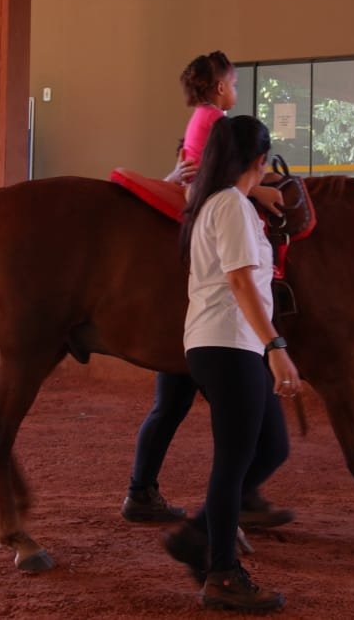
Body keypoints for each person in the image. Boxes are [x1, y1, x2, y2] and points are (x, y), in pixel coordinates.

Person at [122, 54, 288, 526]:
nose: (234, 89)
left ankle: (177, 496)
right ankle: (223, 514)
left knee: (173, 404)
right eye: (233, 82)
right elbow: (220, 173)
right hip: (228, 336)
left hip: (207, 325)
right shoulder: (219, 123)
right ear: (219, 87)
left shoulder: (201, 118)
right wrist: (260, 191)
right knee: (248, 443)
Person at [162, 114, 299, 613]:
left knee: (272, 447)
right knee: (235, 461)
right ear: (260, 162)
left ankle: (198, 535)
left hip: (223, 344)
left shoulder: (212, 205)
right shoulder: (233, 207)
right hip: (230, 344)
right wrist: (276, 346)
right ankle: (221, 572)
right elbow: (241, 282)